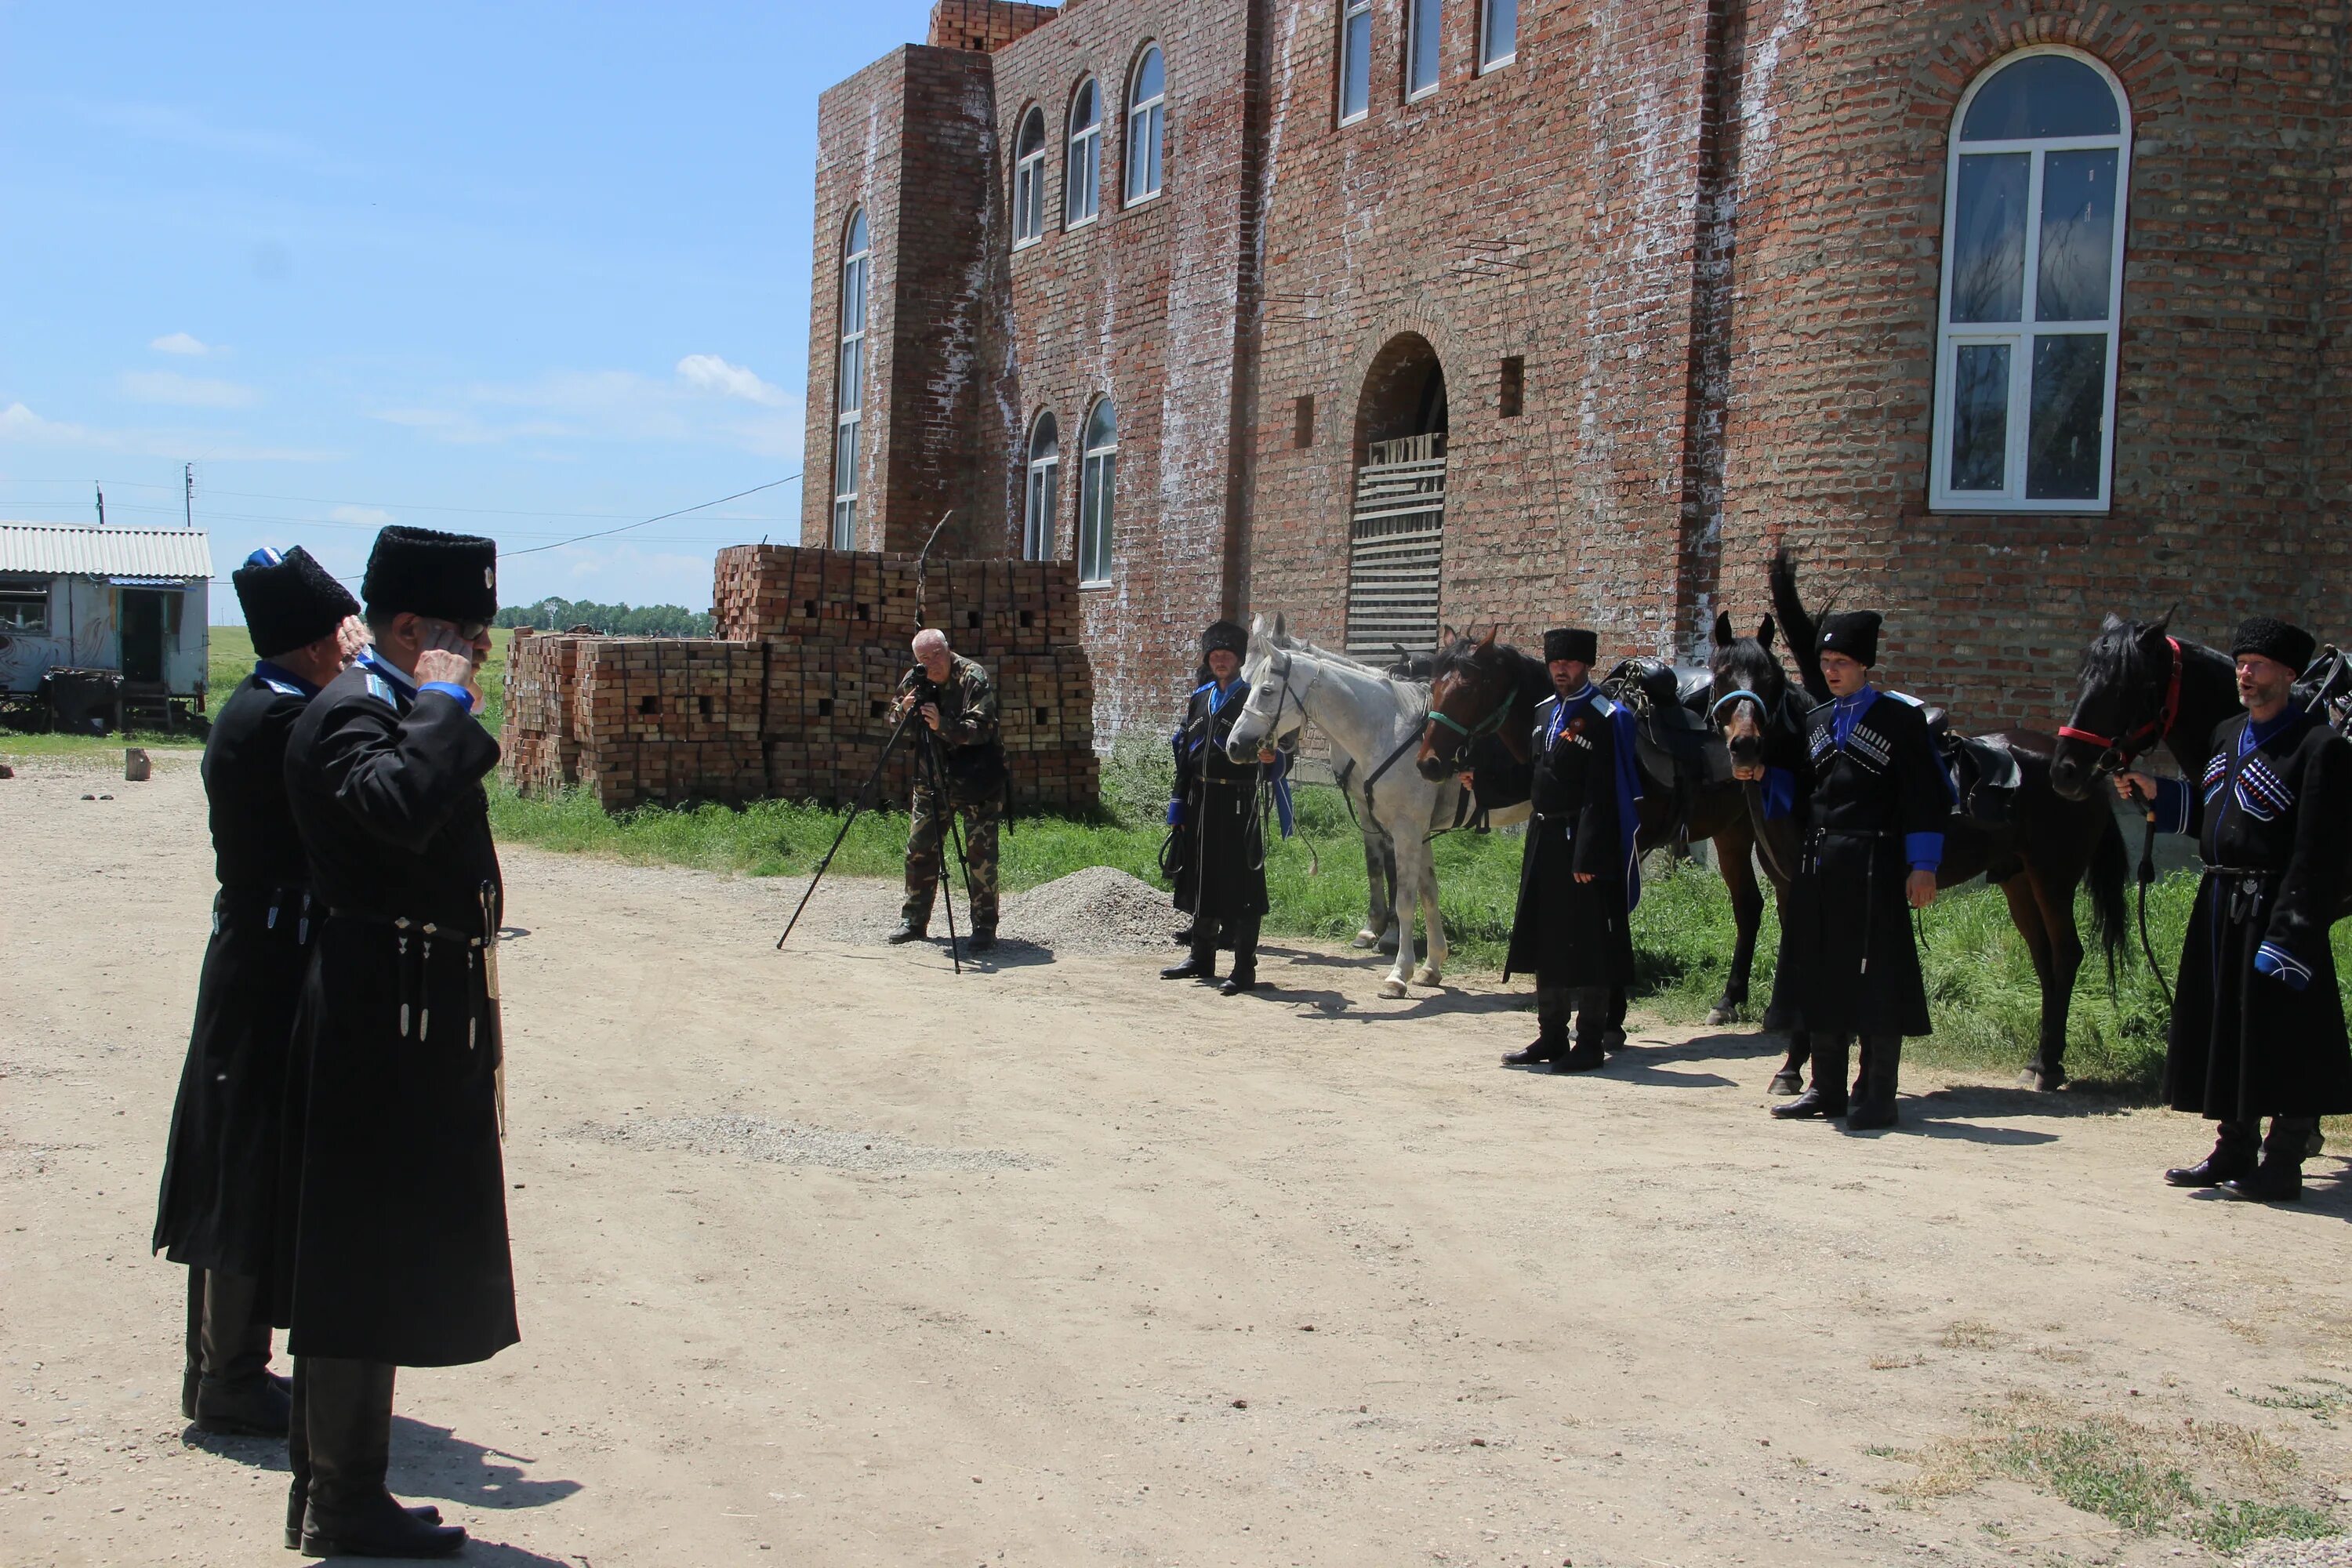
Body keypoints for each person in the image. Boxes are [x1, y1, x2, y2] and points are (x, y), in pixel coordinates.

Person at [277, 525, 513, 1558]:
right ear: (409, 626)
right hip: (372, 1009)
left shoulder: (395, 710)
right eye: (465, 632)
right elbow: (399, 806)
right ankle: (340, 1499)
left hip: (410, 1008)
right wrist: (446, 700)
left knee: (381, 1257)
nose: (482, 651)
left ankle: (348, 1489)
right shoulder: (352, 715)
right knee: (355, 1260)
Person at [151, 546, 359, 1439]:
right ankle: (229, 1374)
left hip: (259, 947)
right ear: (314, 646)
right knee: (243, 1162)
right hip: (269, 958)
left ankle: (219, 1367)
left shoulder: (263, 705)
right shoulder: (282, 720)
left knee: (242, 1154)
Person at [2117, 616, 2352, 1201]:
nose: (2245, 674)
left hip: (2279, 907)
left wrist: (2295, 924)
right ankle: (2233, 1146)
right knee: (2229, 1028)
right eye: (2242, 663)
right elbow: (2219, 813)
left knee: (2288, 1034)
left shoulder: (2319, 747)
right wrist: (2160, 793)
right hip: (2222, 900)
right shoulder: (2227, 733)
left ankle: (2284, 1159)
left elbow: (2319, 847)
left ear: (2289, 675)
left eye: (2259, 666)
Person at [1770, 611, 1949, 1129]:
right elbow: (1806, 795)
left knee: (1876, 981)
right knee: (1822, 976)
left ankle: (1876, 1093)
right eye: (1825, 663)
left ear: (1864, 665)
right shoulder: (1817, 721)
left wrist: (1924, 865)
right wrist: (1765, 778)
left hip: (1875, 866)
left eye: (1841, 663)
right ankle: (1826, 1090)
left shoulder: (1899, 719)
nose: (1832, 671)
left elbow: (1926, 796)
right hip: (1821, 865)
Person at [1501, 628, 1642, 1070]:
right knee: (1548, 939)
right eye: (1555, 663)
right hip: (1544, 841)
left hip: (1584, 846)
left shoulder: (1607, 716)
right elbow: (1537, 778)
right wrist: (1484, 785)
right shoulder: (1545, 713)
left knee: (1590, 944)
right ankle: (1551, 1036)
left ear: (1587, 665)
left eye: (1571, 663)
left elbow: (1607, 792)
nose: (1561, 670)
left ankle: (1589, 1043)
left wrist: (1590, 853)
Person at [1162, 619, 1292, 995]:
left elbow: (1281, 755)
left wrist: (1271, 759)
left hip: (1239, 802)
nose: (1221, 661)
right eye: (1215, 656)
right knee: (1201, 878)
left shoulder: (1254, 699)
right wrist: (1178, 811)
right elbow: (1185, 757)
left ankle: (1243, 968)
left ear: (1237, 661)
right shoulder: (1199, 697)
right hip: (1201, 801)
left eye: (1228, 656)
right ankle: (1201, 957)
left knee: (1241, 884)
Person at [887, 627, 1006, 952]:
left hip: (975, 780)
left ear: (947, 650)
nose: (931, 663)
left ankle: (984, 926)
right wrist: (904, 710)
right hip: (931, 780)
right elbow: (892, 717)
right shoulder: (917, 679)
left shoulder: (972, 676)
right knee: (919, 849)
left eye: (936, 655)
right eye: (924, 658)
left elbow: (983, 728)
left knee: (980, 856)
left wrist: (943, 725)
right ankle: (913, 920)